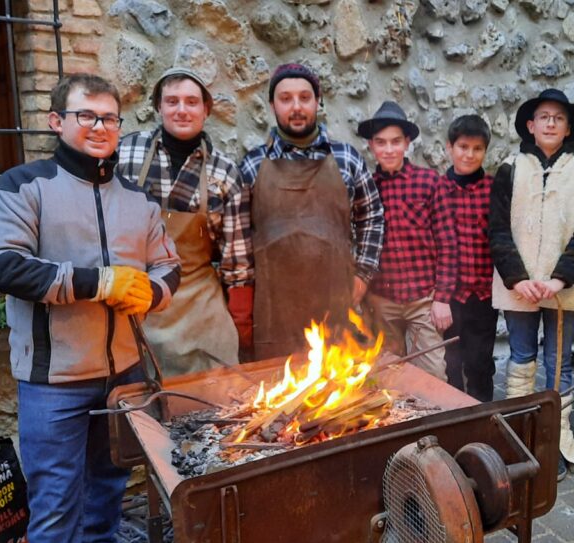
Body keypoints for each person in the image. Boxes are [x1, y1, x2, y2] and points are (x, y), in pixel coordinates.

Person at [0, 73, 181, 543]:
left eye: (109, 117)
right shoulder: (23, 186)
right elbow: (1, 265)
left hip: (124, 378)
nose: (98, 126)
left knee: (106, 501)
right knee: (55, 509)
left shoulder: (138, 198)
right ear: (57, 121)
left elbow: (168, 264)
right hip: (55, 382)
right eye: (85, 115)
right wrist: (98, 283)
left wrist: (150, 291)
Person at [489, 88, 574, 481]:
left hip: (563, 287)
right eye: (544, 117)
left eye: (559, 117)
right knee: (521, 359)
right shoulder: (510, 168)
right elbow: (498, 229)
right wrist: (519, 279)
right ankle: (517, 437)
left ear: (569, 127)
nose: (551, 123)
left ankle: (553, 439)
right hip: (517, 285)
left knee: (557, 365)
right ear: (531, 126)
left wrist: (558, 279)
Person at [238, 63, 384, 360]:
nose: (296, 107)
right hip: (273, 308)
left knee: (334, 396)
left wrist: (363, 274)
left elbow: (371, 217)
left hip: (335, 301)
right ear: (271, 105)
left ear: (318, 101)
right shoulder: (252, 164)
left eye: (305, 97)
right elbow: (238, 239)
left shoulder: (347, 158)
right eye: (286, 98)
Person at [118, 67, 249, 373]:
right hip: (137, 303)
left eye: (191, 102)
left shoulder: (225, 172)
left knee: (215, 406)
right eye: (172, 101)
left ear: (206, 110)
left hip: (200, 310)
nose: (181, 110)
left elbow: (237, 261)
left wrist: (243, 324)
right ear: (158, 107)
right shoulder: (125, 153)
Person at [357, 101, 454, 380]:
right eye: (381, 143)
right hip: (381, 298)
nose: (388, 149)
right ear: (372, 146)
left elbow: (448, 243)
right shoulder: (366, 186)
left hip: (423, 297)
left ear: (407, 143)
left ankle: (435, 422)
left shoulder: (428, 182)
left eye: (395, 142)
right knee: (386, 373)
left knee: (433, 372)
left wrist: (442, 298)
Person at [436, 115, 497, 402]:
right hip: (450, 297)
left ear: (485, 151)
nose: (469, 154)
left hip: (484, 294)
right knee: (450, 363)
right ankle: (453, 416)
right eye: (462, 147)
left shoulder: (494, 188)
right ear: (449, 147)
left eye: (477, 148)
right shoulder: (437, 189)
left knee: (481, 362)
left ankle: (484, 415)